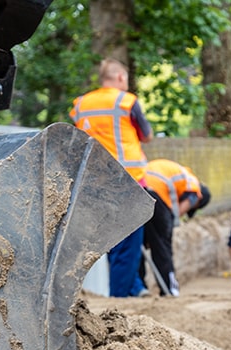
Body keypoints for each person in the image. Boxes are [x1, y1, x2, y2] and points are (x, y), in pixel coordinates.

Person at [70, 58, 154, 297]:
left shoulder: (80, 104)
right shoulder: (127, 101)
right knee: (129, 245)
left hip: (95, 180)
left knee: (111, 240)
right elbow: (146, 136)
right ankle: (121, 298)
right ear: (120, 78)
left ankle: (133, 287)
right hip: (129, 180)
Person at [140, 159, 210, 296]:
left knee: (138, 243)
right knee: (163, 246)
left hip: (139, 186)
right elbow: (176, 213)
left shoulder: (179, 173)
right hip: (156, 194)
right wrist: (168, 226)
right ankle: (169, 290)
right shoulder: (195, 189)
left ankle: (139, 287)